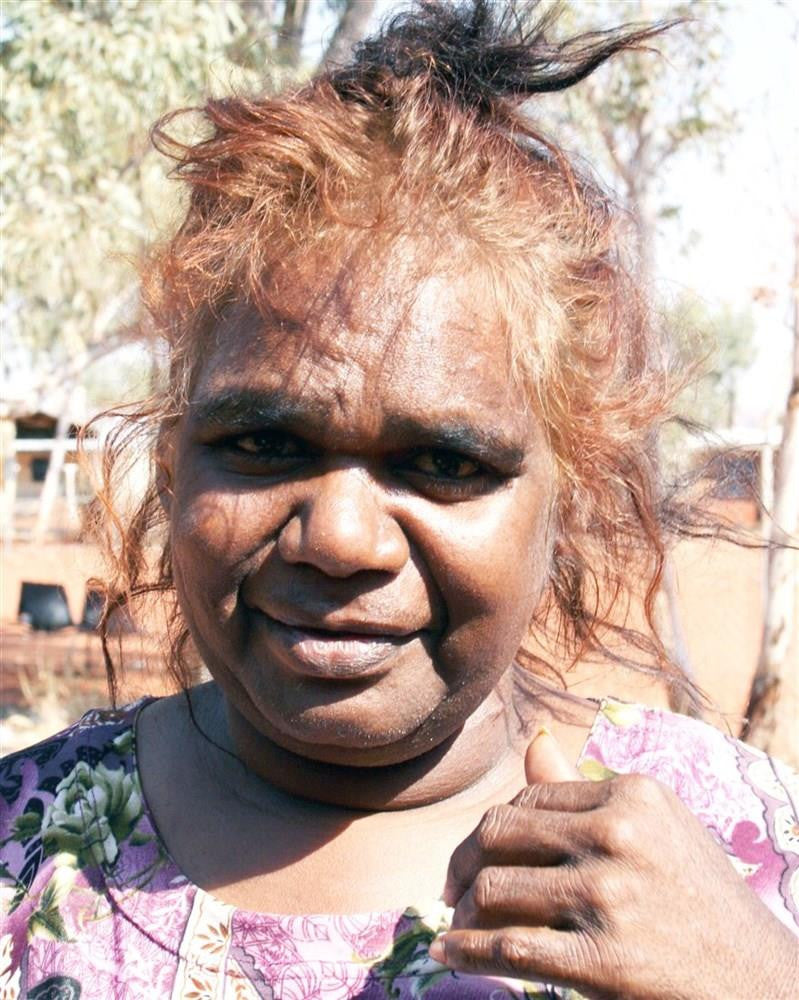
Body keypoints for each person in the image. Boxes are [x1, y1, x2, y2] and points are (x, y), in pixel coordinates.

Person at [1, 2, 797, 997]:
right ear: (172, 466)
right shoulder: (27, 854)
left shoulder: (738, 852)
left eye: (444, 462)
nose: (337, 539)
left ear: (573, 500)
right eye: (261, 442)